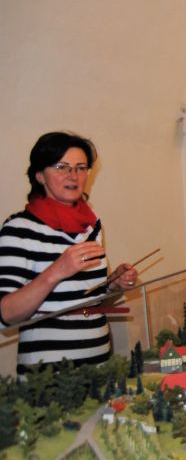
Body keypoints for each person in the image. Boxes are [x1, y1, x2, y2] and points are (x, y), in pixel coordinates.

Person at [0, 131, 138, 374]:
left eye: (81, 168)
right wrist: (57, 271)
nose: (73, 176)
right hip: (47, 377)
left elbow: (88, 297)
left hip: (100, 365)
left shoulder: (92, 225)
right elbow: (7, 314)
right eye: (61, 167)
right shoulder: (19, 229)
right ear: (40, 175)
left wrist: (113, 284)